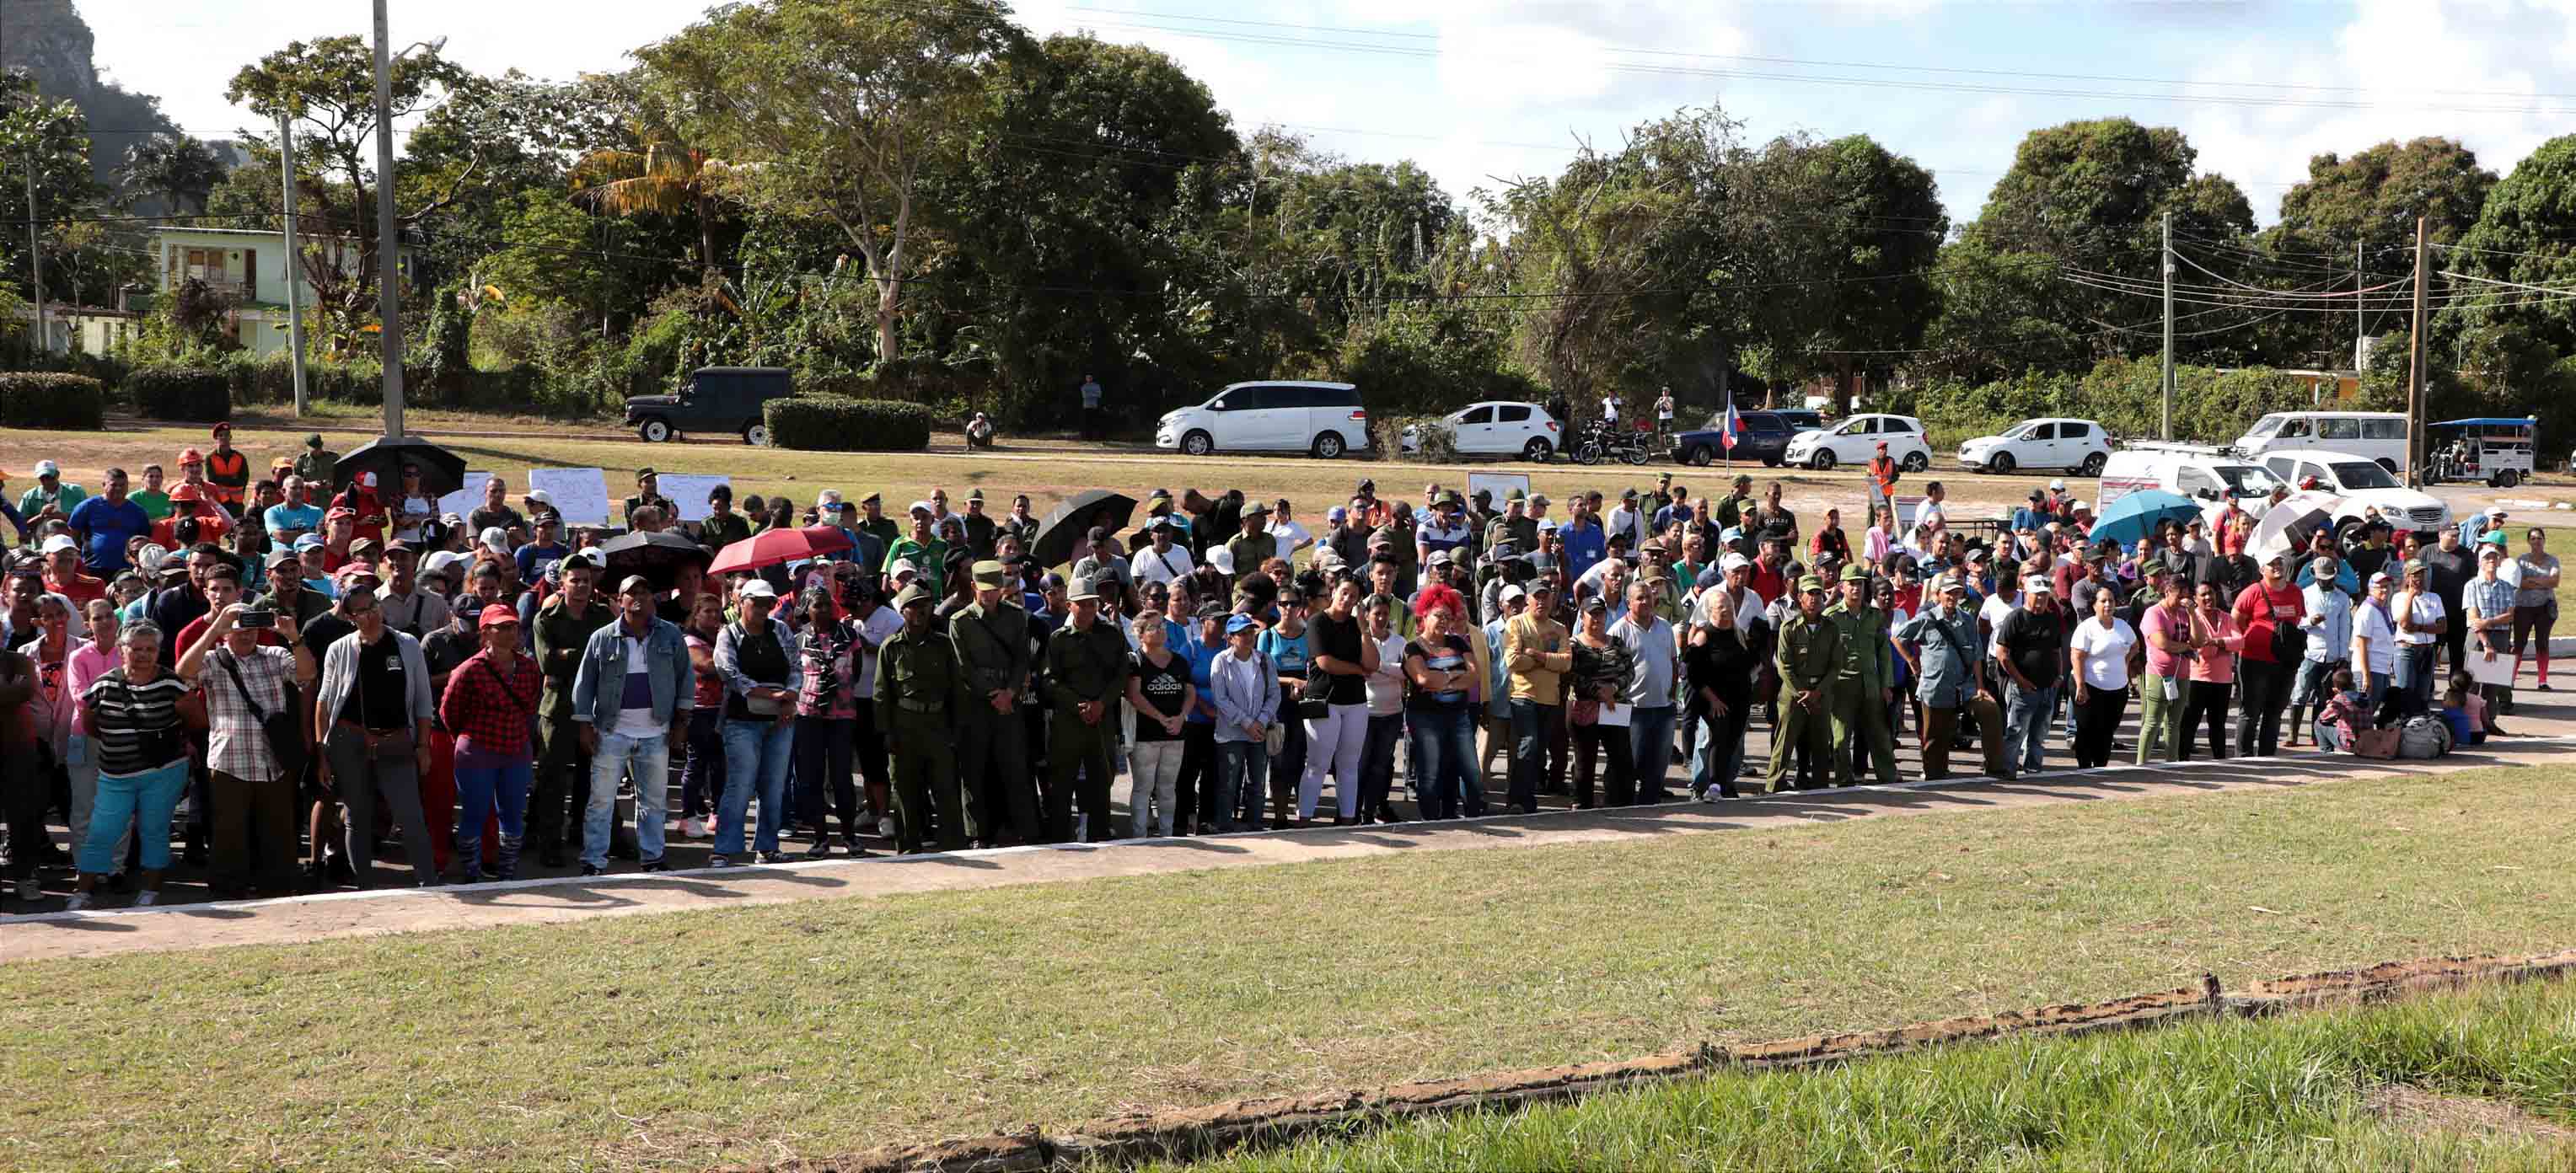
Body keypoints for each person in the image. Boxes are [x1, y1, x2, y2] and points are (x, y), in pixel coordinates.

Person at [177, 597, 316, 897]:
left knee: (278, 830)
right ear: (227, 631)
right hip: (229, 762)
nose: (245, 633)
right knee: (229, 833)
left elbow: (306, 675)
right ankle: (227, 890)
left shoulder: (276, 654)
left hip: (274, 761)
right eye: (238, 628)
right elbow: (184, 673)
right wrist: (215, 628)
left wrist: (294, 637)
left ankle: (278, 887)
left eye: (251, 627)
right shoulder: (213, 659)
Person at [313, 576, 441, 887]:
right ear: (349, 617)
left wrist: (423, 746)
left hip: (396, 739)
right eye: (360, 611)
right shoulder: (339, 649)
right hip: (349, 739)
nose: (370, 615)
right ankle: (364, 885)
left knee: (410, 815)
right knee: (356, 815)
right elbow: (324, 702)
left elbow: (423, 701)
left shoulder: (407, 644)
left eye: (372, 606)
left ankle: (429, 881)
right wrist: (322, 753)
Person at [58, 620, 191, 909]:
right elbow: (91, 726)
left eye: (150, 649)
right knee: (101, 832)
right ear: (122, 649)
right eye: (136, 648)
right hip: (115, 774)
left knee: (154, 830)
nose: (143, 655)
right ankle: (82, 892)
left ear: (158, 652)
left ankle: (151, 890)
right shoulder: (103, 685)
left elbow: (195, 722)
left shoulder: (172, 684)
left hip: (164, 772)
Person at [432, 603, 540, 882]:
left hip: (516, 750)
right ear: (485, 632)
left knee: (513, 815)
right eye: (501, 627)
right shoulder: (469, 669)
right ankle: (472, 873)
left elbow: (530, 707)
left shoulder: (529, 668)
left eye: (513, 626)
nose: (509, 632)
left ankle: (507, 873)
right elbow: (448, 711)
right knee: (474, 813)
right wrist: (466, 738)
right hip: (478, 751)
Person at [530, 555, 613, 867]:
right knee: (552, 780)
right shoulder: (547, 619)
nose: (580, 586)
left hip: (594, 708)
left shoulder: (602, 617)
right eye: (574, 580)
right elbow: (547, 663)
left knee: (594, 778)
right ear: (562, 583)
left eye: (586, 581)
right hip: (558, 708)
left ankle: (589, 836)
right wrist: (585, 657)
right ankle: (548, 843)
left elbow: (612, 657)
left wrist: (568, 656)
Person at [950, 560, 1035, 847]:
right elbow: (964, 667)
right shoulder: (960, 621)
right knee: (974, 770)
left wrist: (1010, 693)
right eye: (984, 590)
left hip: (1009, 700)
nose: (990, 595)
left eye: (995, 590)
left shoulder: (1016, 616)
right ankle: (977, 833)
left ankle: (1022, 829)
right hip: (976, 704)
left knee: (1014, 767)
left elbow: (1022, 658)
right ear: (973, 586)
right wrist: (993, 695)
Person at [712, 577, 797, 866]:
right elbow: (728, 672)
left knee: (773, 786)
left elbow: (796, 667)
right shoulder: (729, 634)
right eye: (757, 603)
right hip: (741, 720)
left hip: (781, 719)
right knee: (741, 783)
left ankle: (768, 847)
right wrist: (771, 694)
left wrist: (790, 696)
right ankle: (724, 849)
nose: (763, 609)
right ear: (741, 602)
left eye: (768, 603)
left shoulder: (781, 630)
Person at [1897, 574, 2010, 781]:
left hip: (1965, 686)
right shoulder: (1926, 618)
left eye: (1956, 593)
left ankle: (1995, 767)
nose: (1952, 597)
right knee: (1935, 734)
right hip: (1936, 685)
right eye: (1948, 592)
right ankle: (1935, 773)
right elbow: (1898, 637)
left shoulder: (1967, 619)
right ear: (1938, 594)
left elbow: (1976, 654)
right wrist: (1912, 661)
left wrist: (1980, 686)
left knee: (1990, 711)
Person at [877, 583, 963, 852]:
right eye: (913, 606)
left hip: (938, 725)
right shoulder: (891, 647)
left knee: (946, 789)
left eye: (924, 605)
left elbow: (957, 690)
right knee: (905, 792)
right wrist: (887, 733)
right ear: (902, 611)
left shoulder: (944, 644)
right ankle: (908, 849)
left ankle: (952, 845)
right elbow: (881, 694)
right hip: (905, 727)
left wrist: (956, 730)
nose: (920, 611)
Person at [1046, 576, 1130, 842]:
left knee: (1101, 781)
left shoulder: (1112, 635)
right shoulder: (1058, 639)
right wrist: (1077, 704)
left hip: (1102, 718)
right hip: (1069, 722)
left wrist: (1101, 703)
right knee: (1062, 782)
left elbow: (1122, 675)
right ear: (1069, 606)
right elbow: (1050, 680)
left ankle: (1100, 834)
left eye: (1092, 604)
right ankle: (1059, 838)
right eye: (1081, 604)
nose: (1088, 609)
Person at [1403, 586, 1479, 820]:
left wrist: (1442, 681)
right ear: (1424, 615)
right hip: (1425, 718)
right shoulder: (1412, 648)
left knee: (1471, 771)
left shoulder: (1459, 643)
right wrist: (1454, 675)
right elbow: (1423, 679)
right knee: (1430, 772)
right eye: (1439, 615)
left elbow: (1474, 675)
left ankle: (1473, 817)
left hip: (1458, 716)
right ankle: (1430, 821)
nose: (1444, 621)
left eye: (1448, 616)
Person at [1822, 564, 1897, 787]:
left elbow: (1884, 653)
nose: (1856, 588)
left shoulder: (1874, 616)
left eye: (1860, 584)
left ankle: (1888, 777)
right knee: (1841, 737)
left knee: (1879, 735)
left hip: (1870, 684)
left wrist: (1886, 684)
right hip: (1842, 685)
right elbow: (1822, 652)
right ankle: (1844, 780)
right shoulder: (1831, 616)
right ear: (1842, 587)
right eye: (1852, 584)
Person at [2229, 554, 2305, 758]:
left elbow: (2297, 620)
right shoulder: (2252, 592)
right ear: (2262, 570)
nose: (2277, 566)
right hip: (2255, 660)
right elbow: (2236, 622)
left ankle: (2267, 757)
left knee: (2274, 713)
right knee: (2250, 712)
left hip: (2285, 662)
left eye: (2280, 562)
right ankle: (2243, 758)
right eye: (2272, 564)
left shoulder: (2295, 592)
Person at [1608, 580, 1677, 803]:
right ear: (1629, 603)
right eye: (1640, 598)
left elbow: (1673, 661)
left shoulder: (1665, 627)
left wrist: (1672, 692)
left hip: (1664, 708)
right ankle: (1625, 807)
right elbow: (1609, 671)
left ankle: (1650, 804)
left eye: (1649, 596)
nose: (1646, 601)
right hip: (1633, 710)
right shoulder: (1618, 631)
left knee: (1658, 766)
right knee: (1630, 764)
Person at [1126, 613, 1194, 837]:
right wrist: (1160, 718)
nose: (1160, 630)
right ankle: (1139, 836)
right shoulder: (1135, 660)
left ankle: (1167, 833)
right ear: (1140, 634)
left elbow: (1190, 692)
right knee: (1143, 788)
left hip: (1175, 734)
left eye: (1162, 625)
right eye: (1153, 628)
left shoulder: (1179, 661)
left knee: (1167, 788)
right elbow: (1134, 695)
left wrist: (1181, 716)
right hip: (1145, 735)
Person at [1566, 595, 1635, 808]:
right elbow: (1571, 675)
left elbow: (1629, 672)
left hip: (1616, 707)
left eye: (1600, 614)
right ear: (1582, 617)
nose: (1597, 618)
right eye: (1592, 614)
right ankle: (1582, 803)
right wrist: (1598, 692)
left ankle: (1621, 802)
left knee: (1622, 758)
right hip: (1584, 708)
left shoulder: (1617, 643)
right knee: (1585, 760)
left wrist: (1613, 688)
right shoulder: (1573, 645)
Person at [1991, 576, 2064, 776]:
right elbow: (2002, 653)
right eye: (2037, 594)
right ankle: (2008, 768)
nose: (2041, 598)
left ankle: (2033, 768)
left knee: (2039, 734)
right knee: (2016, 732)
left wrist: (2059, 676)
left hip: (2048, 686)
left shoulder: (2051, 618)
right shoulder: (2015, 618)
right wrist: (2020, 680)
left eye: (2045, 594)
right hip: (2023, 688)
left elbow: (2057, 650)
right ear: (2026, 593)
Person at [2285, 555, 2354, 748]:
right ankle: (2293, 733)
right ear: (2314, 575)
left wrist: (2343, 655)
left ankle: (2316, 734)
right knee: (2300, 692)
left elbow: (2345, 628)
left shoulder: (2342, 597)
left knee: (2322, 696)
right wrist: (2310, 621)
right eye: (2322, 578)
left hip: (2332, 654)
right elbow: (2296, 621)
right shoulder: (2305, 594)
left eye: (2329, 578)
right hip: (2310, 652)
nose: (2326, 582)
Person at [2067, 586, 2137, 769]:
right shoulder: (2086, 628)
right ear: (2094, 605)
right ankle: (2084, 768)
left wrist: (2125, 662)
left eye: (2111, 601)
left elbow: (2135, 646)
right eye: (2103, 601)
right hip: (2089, 686)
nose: (2108, 605)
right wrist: (2081, 685)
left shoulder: (2122, 626)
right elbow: (2077, 657)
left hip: (2117, 688)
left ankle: (2100, 766)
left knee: (2108, 729)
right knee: (2087, 728)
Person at [1355, 594, 1409, 823]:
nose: (1381, 618)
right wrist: (1389, 670)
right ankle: (1352, 812)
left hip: (1392, 713)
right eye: (1377, 614)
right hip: (1366, 712)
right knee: (1361, 764)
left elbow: (1405, 671)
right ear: (1367, 615)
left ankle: (1370, 812)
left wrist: (1378, 667)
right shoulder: (1360, 640)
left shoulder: (1400, 642)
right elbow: (1362, 672)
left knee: (1380, 766)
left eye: (1385, 614)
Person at [2135, 575, 2195, 764]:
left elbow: (2199, 641)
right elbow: (2162, 643)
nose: (2183, 601)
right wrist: (2186, 647)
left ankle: (2172, 763)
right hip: (2159, 674)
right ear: (2168, 592)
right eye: (2179, 597)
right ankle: (2141, 764)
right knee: (2152, 722)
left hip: (2182, 674)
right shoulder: (2153, 613)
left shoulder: (2185, 613)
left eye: (2186, 597)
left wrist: (2193, 615)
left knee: (2174, 724)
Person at [2181, 581, 2241, 759]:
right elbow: (2201, 649)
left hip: (2223, 680)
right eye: (2203, 595)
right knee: (2190, 723)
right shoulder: (2192, 618)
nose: (2208, 598)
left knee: (2218, 724)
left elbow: (2240, 642)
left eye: (2211, 593)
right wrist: (2224, 645)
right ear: (2195, 599)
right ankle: (2181, 761)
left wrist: (2216, 642)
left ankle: (2220, 761)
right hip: (2197, 678)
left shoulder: (2226, 617)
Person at [2391, 560, 2446, 720]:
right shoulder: (2398, 598)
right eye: (2414, 574)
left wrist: (2419, 627)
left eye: (2421, 574)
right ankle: (2403, 726)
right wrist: (2410, 597)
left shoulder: (2434, 597)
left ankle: (2419, 727)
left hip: (2427, 650)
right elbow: (2405, 625)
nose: (2419, 578)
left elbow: (2442, 627)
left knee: (2423, 695)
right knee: (2406, 692)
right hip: (2406, 649)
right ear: (2406, 577)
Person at [67, 468, 151, 574]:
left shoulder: (138, 512)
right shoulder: (87, 506)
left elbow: (144, 539)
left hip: (126, 569)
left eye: (122, 485)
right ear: (104, 485)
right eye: (114, 485)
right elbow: (73, 532)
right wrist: (77, 557)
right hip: (92, 567)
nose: (118, 488)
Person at [2513, 528, 2559, 691]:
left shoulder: (2552, 560)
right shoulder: (2522, 560)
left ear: (2544, 540)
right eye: (2533, 538)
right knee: (2519, 644)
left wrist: (2531, 579)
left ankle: (2542, 681)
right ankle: (2510, 679)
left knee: (2542, 643)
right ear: (2528, 541)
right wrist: (2543, 581)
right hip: (2523, 608)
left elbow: (2554, 582)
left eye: (2539, 538)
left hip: (2545, 608)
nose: (2536, 541)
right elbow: (2520, 583)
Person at [2312, 668, 2365, 752]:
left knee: (2318, 724)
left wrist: (2330, 704)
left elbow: (2323, 717)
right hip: (2366, 742)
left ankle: (2327, 751)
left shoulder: (2340, 698)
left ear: (2336, 687)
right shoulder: (2365, 697)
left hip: (2350, 743)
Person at [1079, 373, 1104, 440]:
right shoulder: (1084, 387)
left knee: (1095, 422)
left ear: (1092, 378)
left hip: (1094, 406)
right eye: (1087, 378)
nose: (1089, 379)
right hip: (1086, 406)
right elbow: (1084, 396)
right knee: (1087, 423)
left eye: (1090, 377)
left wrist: (1089, 394)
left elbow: (1099, 395)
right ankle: (1088, 438)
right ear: (1086, 379)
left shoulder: (1096, 386)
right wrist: (1094, 394)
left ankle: (1096, 437)